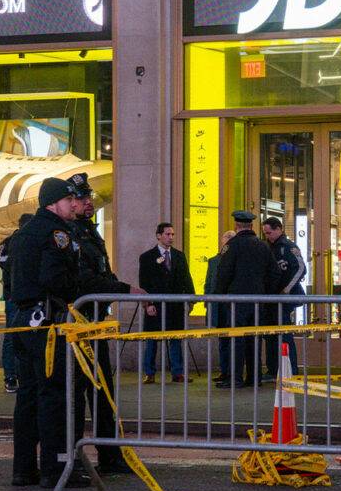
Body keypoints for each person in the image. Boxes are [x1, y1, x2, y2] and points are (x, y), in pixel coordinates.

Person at [9, 177, 89, 488]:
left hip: (23, 321)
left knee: (27, 396)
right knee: (54, 394)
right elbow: (56, 278)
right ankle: (55, 469)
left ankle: (23, 468)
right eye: (69, 199)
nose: (74, 204)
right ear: (54, 203)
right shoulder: (56, 233)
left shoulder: (25, 232)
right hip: (48, 324)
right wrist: (75, 289)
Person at [68, 173, 142, 475]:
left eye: (90, 198)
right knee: (76, 394)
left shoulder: (89, 232)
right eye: (82, 199)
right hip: (77, 325)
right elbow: (84, 279)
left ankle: (110, 455)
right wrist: (125, 290)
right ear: (69, 202)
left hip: (95, 323)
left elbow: (102, 272)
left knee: (103, 392)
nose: (89, 203)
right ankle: (73, 457)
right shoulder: (70, 235)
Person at [213, 210, 280, 388]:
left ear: (236, 226)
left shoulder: (232, 246)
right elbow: (274, 273)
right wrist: (265, 294)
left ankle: (235, 378)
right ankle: (254, 377)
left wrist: (220, 295)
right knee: (254, 339)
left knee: (237, 339)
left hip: (236, 301)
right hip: (258, 301)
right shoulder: (263, 246)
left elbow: (223, 273)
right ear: (251, 226)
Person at [139, 223, 195, 384]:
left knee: (176, 338)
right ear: (158, 235)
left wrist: (191, 300)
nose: (171, 237)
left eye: (172, 234)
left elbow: (186, 278)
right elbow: (144, 282)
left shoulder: (179, 255)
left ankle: (177, 373)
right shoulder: (147, 257)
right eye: (167, 234)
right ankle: (149, 373)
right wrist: (147, 304)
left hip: (175, 305)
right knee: (151, 339)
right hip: (155, 304)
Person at [262, 216, 305, 379]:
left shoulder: (288, 247)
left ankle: (290, 369)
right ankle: (273, 370)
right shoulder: (268, 247)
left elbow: (301, 268)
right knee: (271, 335)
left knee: (284, 335)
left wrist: (287, 289)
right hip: (272, 298)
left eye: (270, 232)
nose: (268, 236)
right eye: (265, 233)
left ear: (279, 229)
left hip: (284, 297)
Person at [0, 214, 32, 394]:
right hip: (16, 297)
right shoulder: (16, 242)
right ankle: (12, 375)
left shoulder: (9, 242)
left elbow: (1, 261)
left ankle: (12, 376)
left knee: (12, 337)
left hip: (13, 296)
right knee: (15, 337)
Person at [203, 230, 235, 383]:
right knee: (222, 340)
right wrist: (207, 302)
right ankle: (224, 371)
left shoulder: (237, 259)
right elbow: (208, 282)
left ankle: (233, 372)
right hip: (218, 305)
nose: (228, 239)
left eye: (231, 237)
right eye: (226, 236)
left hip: (232, 305)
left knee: (235, 340)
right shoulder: (213, 261)